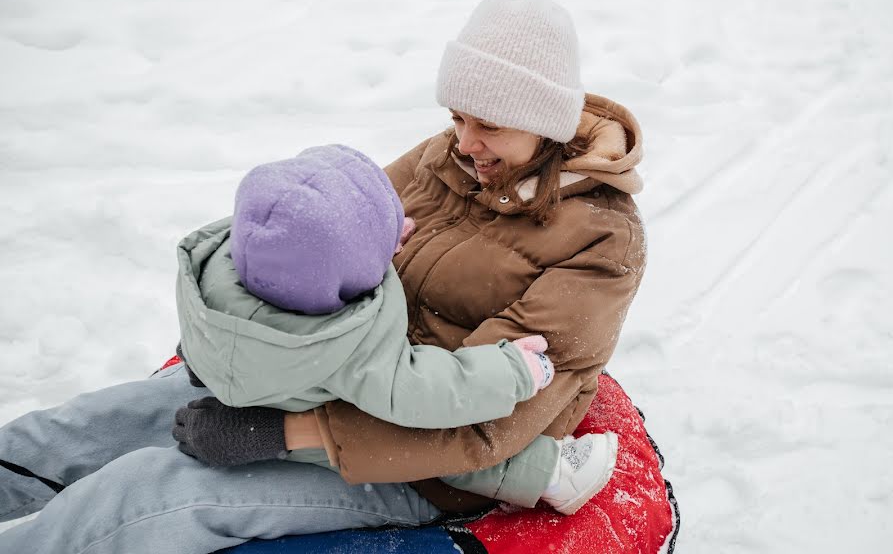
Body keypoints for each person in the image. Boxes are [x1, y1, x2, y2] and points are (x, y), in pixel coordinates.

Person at [0, 0, 646, 553]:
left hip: (432, 463)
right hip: (330, 373)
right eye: (457, 117)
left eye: (491, 126)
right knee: (86, 426)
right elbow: (330, 248)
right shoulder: (445, 158)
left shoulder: (598, 244)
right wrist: (241, 338)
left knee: (153, 492)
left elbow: (483, 418)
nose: (465, 141)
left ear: (545, 124)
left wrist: (284, 434)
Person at [171, 143, 616, 515]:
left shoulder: (214, 271)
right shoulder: (347, 349)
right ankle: (553, 474)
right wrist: (512, 371)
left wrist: (370, 245)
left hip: (251, 377)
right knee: (426, 444)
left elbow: (310, 246)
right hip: (319, 418)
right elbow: (426, 391)